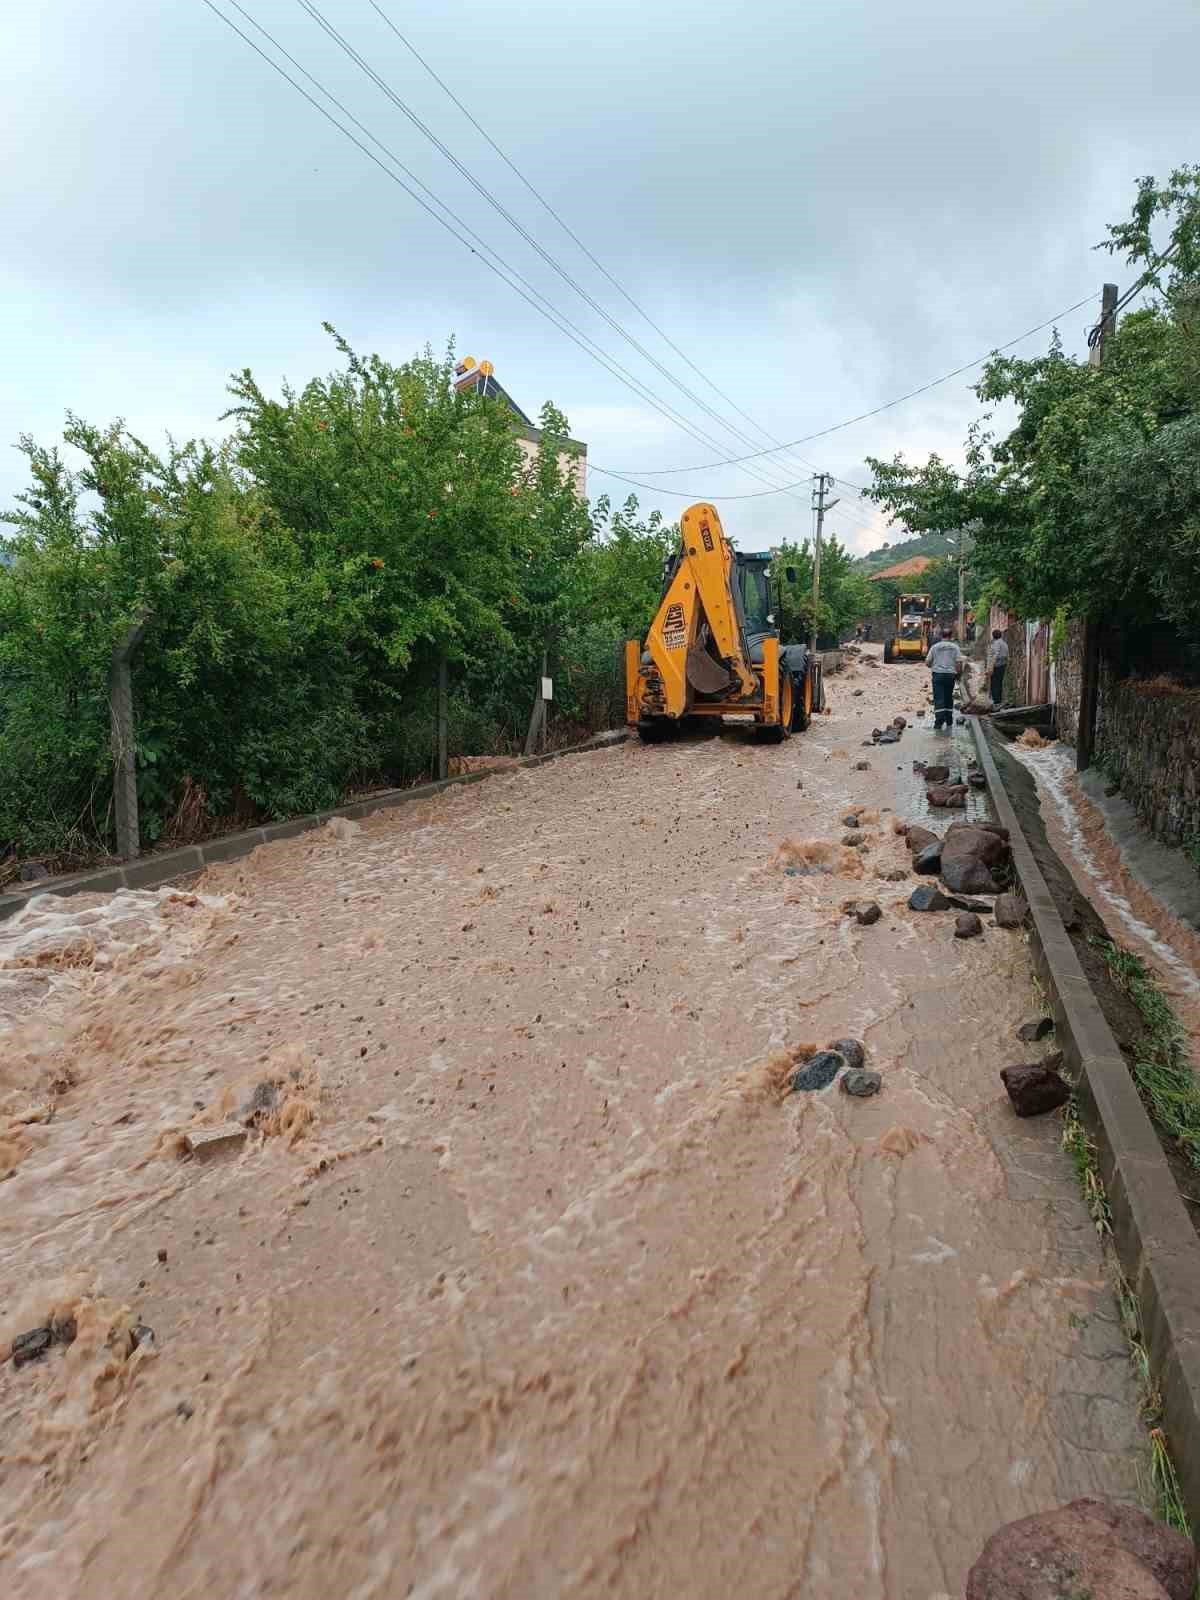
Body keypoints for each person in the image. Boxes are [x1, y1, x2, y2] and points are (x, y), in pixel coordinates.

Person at [926, 627, 963, 731]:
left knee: (939, 698)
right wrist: (958, 675)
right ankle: (949, 720)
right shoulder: (955, 647)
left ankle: (939, 722)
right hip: (950, 675)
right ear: (951, 636)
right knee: (948, 697)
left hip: (937, 675)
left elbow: (927, 662)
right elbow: (959, 663)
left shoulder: (935, 647)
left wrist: (934, 666)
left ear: (941, 636)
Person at [988, 629, 1009, 706]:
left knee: (994, 684)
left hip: (996, 666)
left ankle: (995, 702)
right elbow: (1007, 655)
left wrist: (991, 667)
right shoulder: (1004, 643)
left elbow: (995, 656)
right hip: (1002, 665)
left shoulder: (996, 643)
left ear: (993, 636)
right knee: (999, 683)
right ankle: (998, 701)